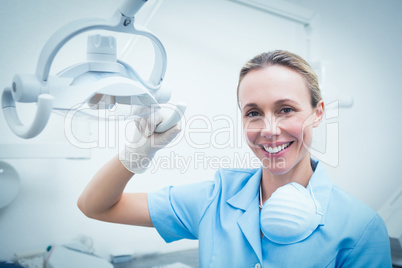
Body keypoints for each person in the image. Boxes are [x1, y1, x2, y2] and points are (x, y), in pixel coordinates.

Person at [78, 50, 392, 267]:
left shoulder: (361, 229)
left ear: (318, 113)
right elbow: (95, 206)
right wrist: (138, 152)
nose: (269, 129)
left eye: (286, 109)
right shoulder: (215, 198)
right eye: (253, 113)